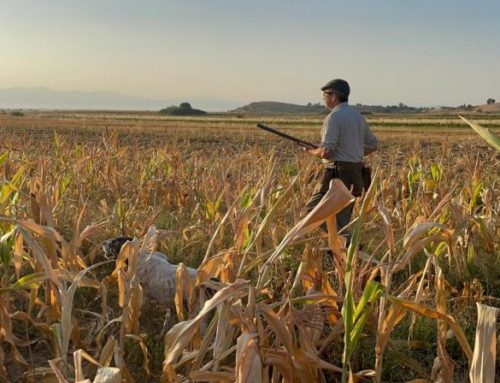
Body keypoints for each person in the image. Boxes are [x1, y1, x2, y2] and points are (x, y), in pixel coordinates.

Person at [305, 78, 378, 241]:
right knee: (341, 220)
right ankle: (343, 258)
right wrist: (353, 153)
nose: (323, 98)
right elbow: (373, 145)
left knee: (313, 209)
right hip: (356, 173)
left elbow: (328, 152)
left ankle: (348, 241)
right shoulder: (357, 116)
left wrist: (311, 151)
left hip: (337, 175)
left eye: (325, 94)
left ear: (333, 96)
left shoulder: (334, 117)